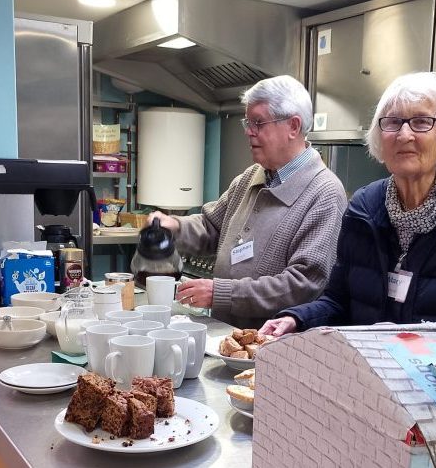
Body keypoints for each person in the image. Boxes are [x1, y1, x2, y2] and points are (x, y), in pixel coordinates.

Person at [260, 72, 436, 337]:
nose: (404, 134)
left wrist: (410, 341)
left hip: (431, 375)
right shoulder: (364, 208)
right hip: (364, 370)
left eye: (421, 122)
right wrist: (296, 318)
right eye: (393, 122)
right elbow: (339, 301)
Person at [148, 75, 347, 329]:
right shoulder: (253, 175)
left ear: (294, 127)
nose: (248, 131)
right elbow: (212, 226)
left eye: (259, 122)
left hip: (274, 343)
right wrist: (174, 226)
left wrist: (221, 293)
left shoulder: (324, 193)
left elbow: (303, 284)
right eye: (248, 121)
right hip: (226, 334)